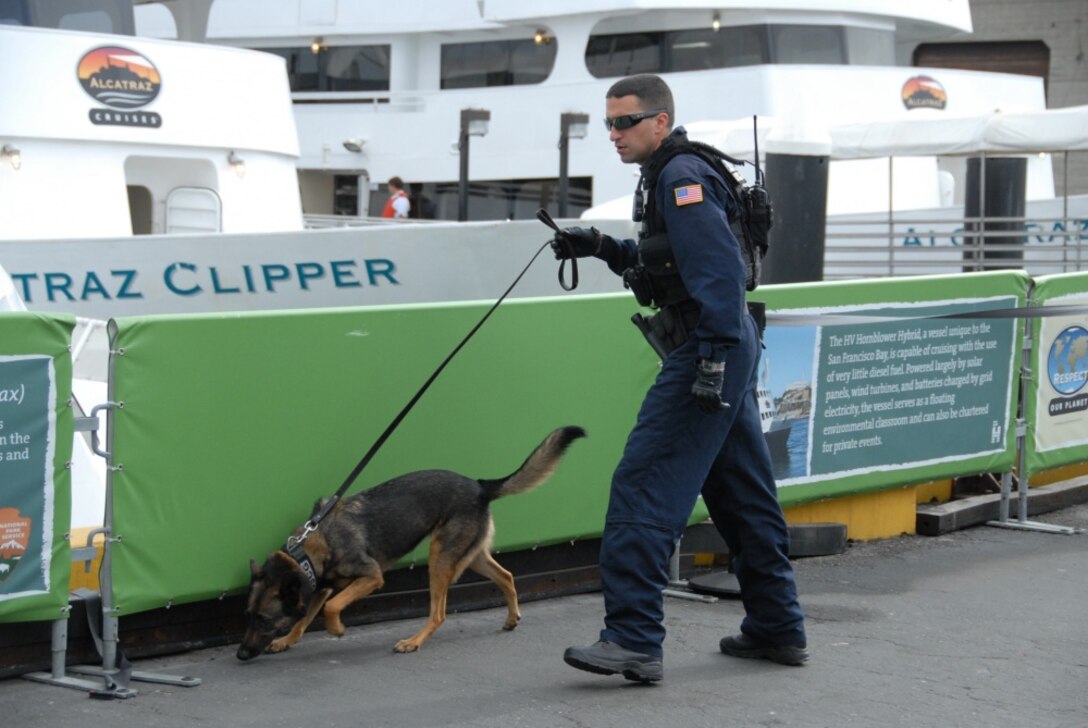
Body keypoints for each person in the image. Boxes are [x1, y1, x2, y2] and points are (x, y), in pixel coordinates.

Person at [556, 74, 807, 683]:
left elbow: (717, 271)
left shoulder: (680, 177)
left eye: (627, 122)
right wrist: (601, 247)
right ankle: (777, 625)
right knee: (741, 491)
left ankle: (634, 637)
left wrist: (714, 358)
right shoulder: (671, 172)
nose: (614, 134)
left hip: (707, 343)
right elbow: (670, 260)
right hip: (725, 341)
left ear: (660, 122)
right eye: (610, 122)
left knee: (646, 481)